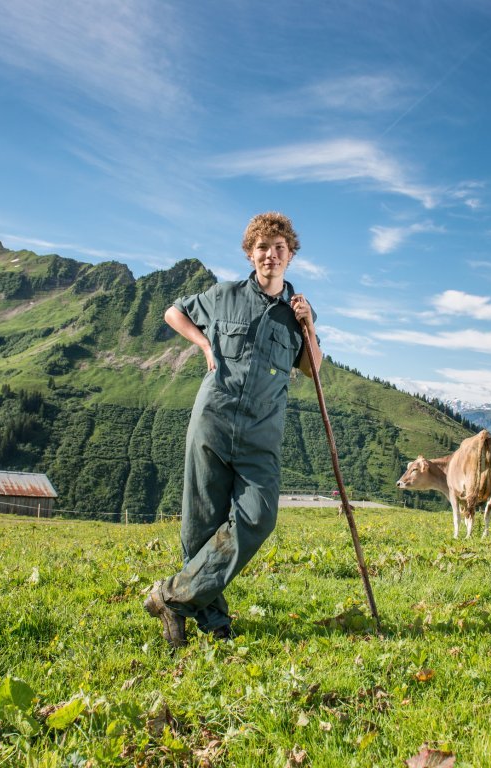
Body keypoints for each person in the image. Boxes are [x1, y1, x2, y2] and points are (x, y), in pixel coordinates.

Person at [144, 212, 321, 649]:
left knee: (259, 515)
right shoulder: (223, 296)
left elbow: (313, 369)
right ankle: (213, 621)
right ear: (250, 253)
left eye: (279, 248)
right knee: (200, 524)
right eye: (263, 247)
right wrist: (204, 343)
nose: (271, 255)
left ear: (291, 255)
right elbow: (174, 312)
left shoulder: (298, 315)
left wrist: (310, 326)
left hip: (262, 434)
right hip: (214, 421)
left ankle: (172, 596)